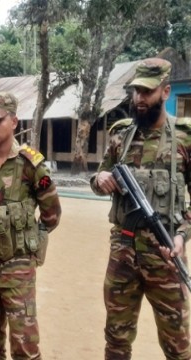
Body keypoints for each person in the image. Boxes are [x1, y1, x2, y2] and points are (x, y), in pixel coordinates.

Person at [91, 58, 191, 359]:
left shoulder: (184, 138)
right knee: (116, 340)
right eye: (136, 91)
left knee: (178, 344)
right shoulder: (121, 135)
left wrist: (182, 236)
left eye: (147, 92)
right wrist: (101, 178)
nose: (139, 99)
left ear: (165, 91)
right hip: (123, 253)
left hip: (166, 255)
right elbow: (97, 178)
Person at [0, 92, 61, 360]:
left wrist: (30, 243)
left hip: (17, 268)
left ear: (14, 122)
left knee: (24, 346)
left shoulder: (31, 165)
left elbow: (51, 214)